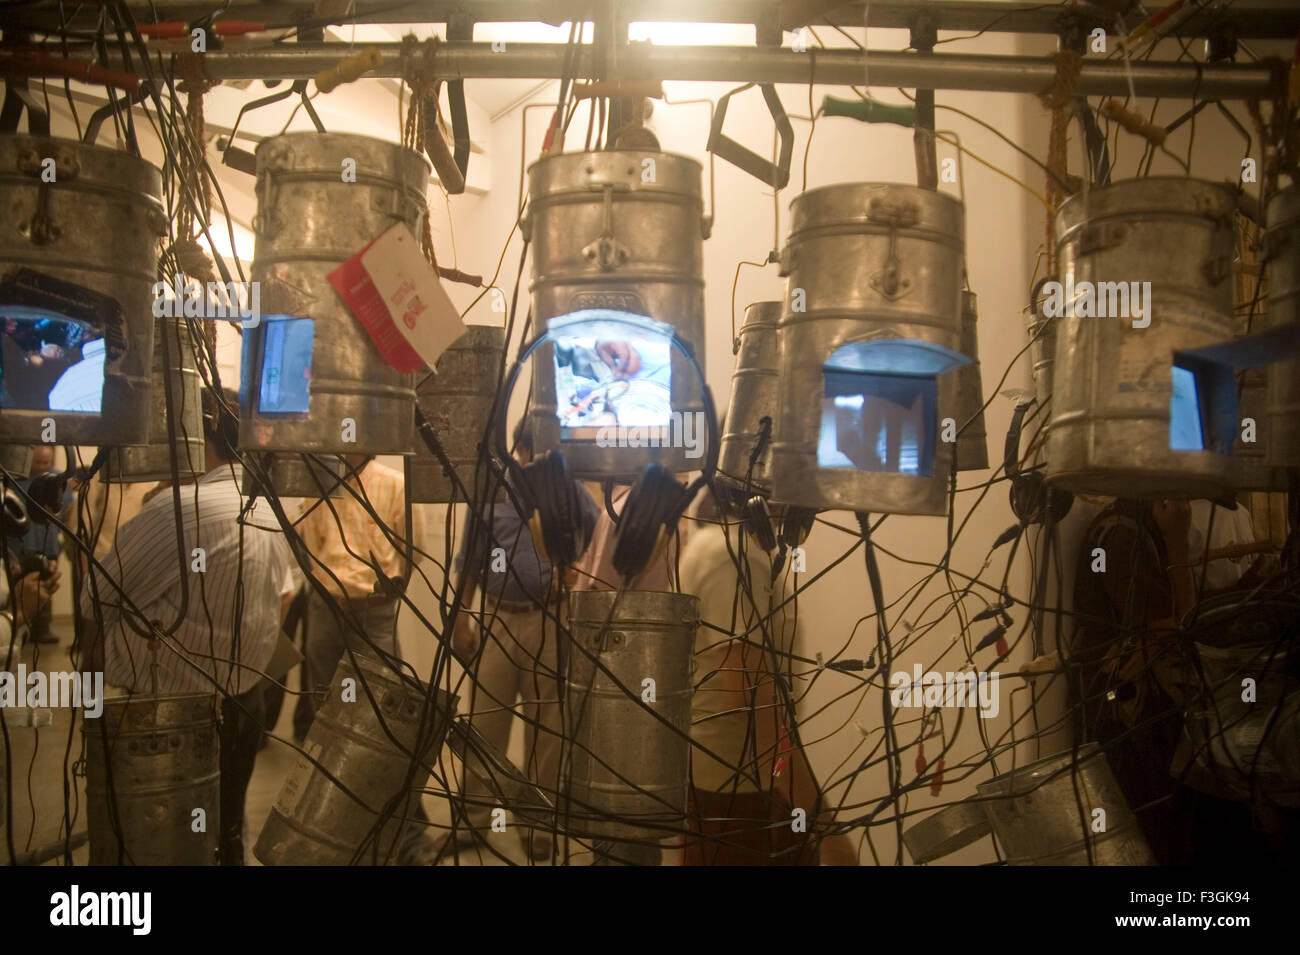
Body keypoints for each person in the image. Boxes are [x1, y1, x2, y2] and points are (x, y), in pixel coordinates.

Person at [79, 388, 296, 865]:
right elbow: (286, 593)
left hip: (170, 717)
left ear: (197, 434)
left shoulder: (179, 510)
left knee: (157, 839)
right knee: (225, 829)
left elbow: (94, 598)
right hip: (243, 701)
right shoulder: (269, 508)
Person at [1070, 496, 1282, 864]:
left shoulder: (1137, 527)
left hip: (1147, 711)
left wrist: (1244, 590)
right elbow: (1180, 624)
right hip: (1128, 717)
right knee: (1174, 830)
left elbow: (1175, 607)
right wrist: (1178, 540)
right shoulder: (1118, 537)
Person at [678, 489, 856, 865]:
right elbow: (755, 705)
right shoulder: (736, 557)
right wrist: (824, 828)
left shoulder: (720, 544)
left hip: (734, 791)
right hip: (744, 802)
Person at [451, 419, 600, 859]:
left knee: (547, 730)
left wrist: (576, 570)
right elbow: (470, 561)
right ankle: (474, 819)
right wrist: (460, 618)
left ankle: (538, 825)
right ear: (515, 450)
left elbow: (597, 538)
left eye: (542, 456)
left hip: (551, 621)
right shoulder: (490, 492)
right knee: (484, 724)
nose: (532, 463)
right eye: (527, 454)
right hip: (497, 618)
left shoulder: (570, 489)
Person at [295, 452, 440, 864]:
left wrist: (390, 590)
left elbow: (415, 548)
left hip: (373, 612)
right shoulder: (321, 483)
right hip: (326, 609)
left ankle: (410, 837)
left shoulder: (394, 484)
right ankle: (334, 823)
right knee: (325, 713)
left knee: (382, 721)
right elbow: (307, 540)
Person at [5, 444, 72, 645]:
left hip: (49, 545)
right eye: (38, 462)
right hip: (17, 548)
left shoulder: (58, 480)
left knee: (45, 587)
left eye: (46, 462)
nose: (43, 466)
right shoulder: (14, 478)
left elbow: (66, 511)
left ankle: (42, 630)